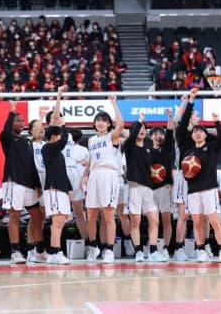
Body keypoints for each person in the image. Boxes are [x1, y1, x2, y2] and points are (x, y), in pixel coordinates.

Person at [81, 95, 124, 264]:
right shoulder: (91, 140)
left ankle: (109, 250)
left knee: (108, 215)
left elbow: (121, 124)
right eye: (97, 120)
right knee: (90, 215)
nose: (100, 123)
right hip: (94, 175)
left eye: (103, 120)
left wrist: (114, 103)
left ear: (108, 124)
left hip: (109, 175)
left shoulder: (112, 137)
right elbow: (91, 161)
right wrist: (84, 175)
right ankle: (93, 246)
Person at [0, 100, 42, 264]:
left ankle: (39, 251)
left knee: (37, 217)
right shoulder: (7, 139)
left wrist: (38, 184)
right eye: (18, 120)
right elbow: (5, 130)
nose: (21, 123)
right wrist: (12, 112)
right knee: (15, 215)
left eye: (22, 121)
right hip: (14, 182)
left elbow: (32, 164)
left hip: (29, 184)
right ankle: (15, 252)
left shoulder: (27, 141)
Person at [184, 113, 221, 263]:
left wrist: (217, 122)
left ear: (205, 135)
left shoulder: (211, 147)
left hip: (209, 189)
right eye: (195, 132)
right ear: (191, 136)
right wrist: (187, 176)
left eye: (201, 131)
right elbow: (185, 174)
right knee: (197, 223)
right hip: (193, 191)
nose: (197, 133)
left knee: (215, 221)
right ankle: (201, 250)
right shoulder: (188, 153)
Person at [124, 111, 167, 262]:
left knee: (154, 220)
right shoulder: (129, 146)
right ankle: (138, 251)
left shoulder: (149, 146)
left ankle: (153, 251)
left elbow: (157, 166)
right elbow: (133, 133)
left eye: (144, 128)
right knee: (135, 221)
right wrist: (139, 120)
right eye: (139, 128)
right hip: (134, 188)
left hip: (149, 188)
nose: (142, 130)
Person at [41, 90, 72, 265]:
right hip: (53, 188)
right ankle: (56, 252)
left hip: (60, 188)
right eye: (59, 134)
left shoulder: (57, 153)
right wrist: (64, 125)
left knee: (60, 221)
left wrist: (69, 190)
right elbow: (63, 140)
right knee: (57, 221)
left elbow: (63, 172)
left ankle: (53, 252)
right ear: (54, 135)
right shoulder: (48, 148)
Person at [173, 89, 203, 261]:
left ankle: (201, 247)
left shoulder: (202, 134)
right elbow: (180, 121)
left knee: (200, 216)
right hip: (184, 177)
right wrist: (189, 102)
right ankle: (178, 248)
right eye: (196, 115)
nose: (198, 117)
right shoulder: (183, 133)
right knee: (183, 215)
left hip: (200, 178)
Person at [149, 109, 175, 260]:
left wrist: (170, 117)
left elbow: (170, 130)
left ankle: (166, 248)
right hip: (150, 189)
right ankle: (152, 248)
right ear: (150, 136)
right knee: (153, 221)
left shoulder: (167, 147)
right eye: (155, 134)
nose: (159, 136)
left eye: (161, 133)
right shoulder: (145, 150)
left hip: (165, 188)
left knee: (166, 220)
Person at [27, 113, 47, 263]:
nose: (41, 129)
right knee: (34, 217)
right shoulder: (29, 143)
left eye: (43, 127)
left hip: (46, 179)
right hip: (34, 178)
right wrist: (41, 117)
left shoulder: (46, 145)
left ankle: (38, 247)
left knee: (43, 216)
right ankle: (31, 247)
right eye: (38, 127)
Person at [69, 128, 90, 244]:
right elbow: (90, 164)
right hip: (79, 184)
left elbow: (89, 164)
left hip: (73, 183)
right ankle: (86, 242)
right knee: (80, 215)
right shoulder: (84, 150)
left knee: (61, 216)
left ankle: (86, 241)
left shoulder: (81, 149)